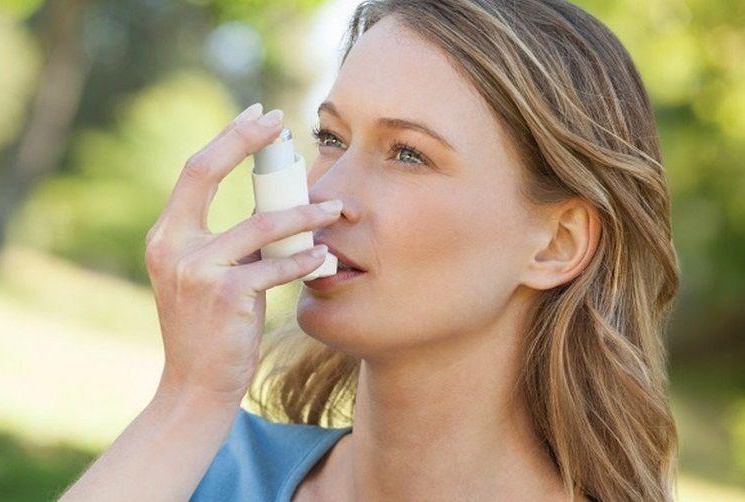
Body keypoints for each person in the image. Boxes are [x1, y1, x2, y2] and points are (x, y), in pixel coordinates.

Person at [59, 0, 680, 501]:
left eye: (408, 153)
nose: (322, 194)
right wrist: (188, 400)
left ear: (556, 244)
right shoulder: (190, 464)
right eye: (331, 138)